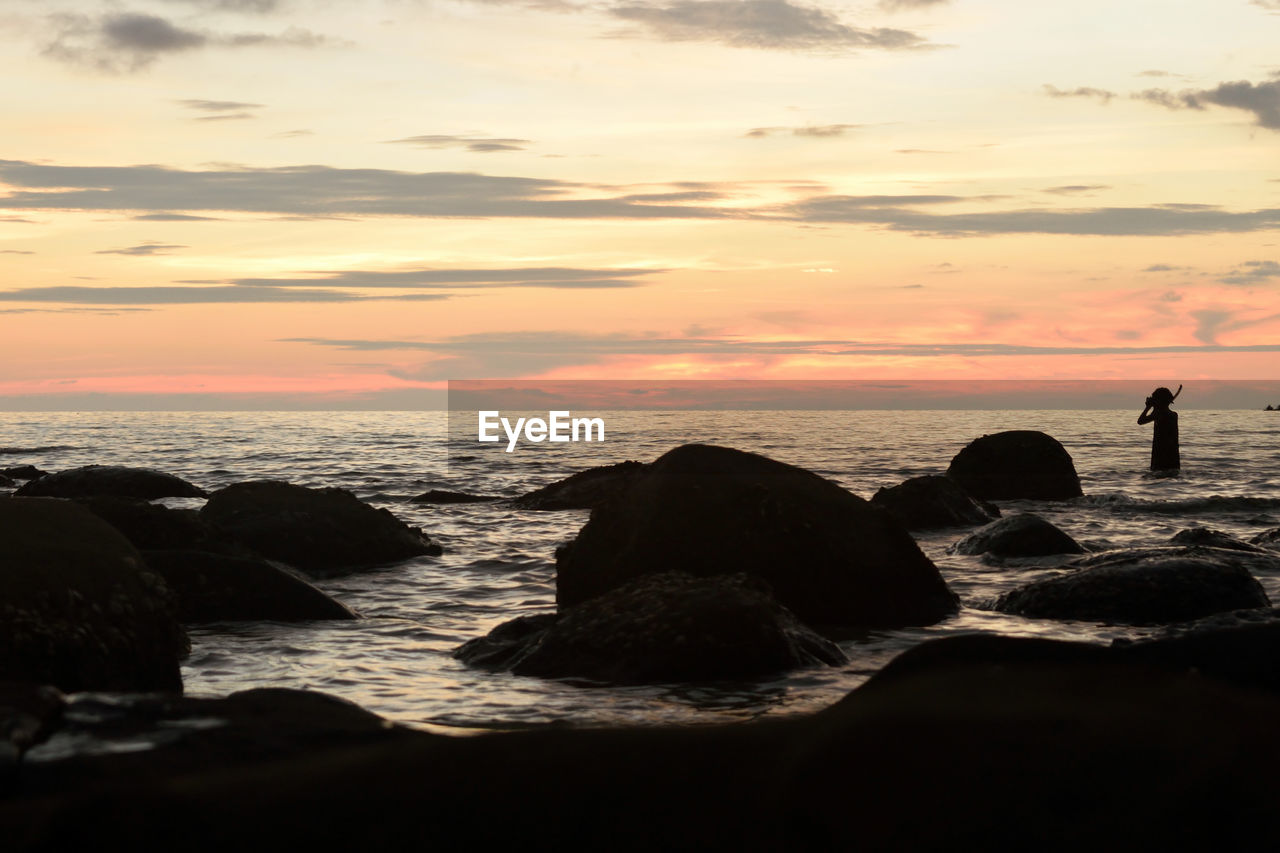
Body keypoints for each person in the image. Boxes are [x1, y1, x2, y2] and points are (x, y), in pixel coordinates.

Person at [1138, 385, 1180, 471]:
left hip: (1160, 455)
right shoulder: (1173, 415)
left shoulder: (1158, 414)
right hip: (1173, 455)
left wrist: (1147, 407)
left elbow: (1140, 421)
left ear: (1159, 401)